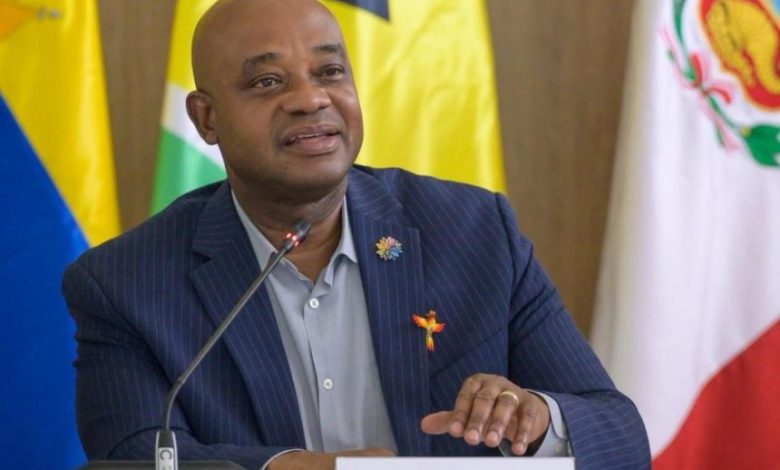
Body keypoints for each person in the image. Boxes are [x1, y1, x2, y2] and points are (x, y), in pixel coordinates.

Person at [62, 0, 650, 469]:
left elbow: (620, 436)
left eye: (329, 72)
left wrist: (539, 420)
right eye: (267, 82)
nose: (310, 98)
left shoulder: (473, 233)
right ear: (206, 118)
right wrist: (300, 468)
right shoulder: (128, 282)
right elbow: (133, 456)